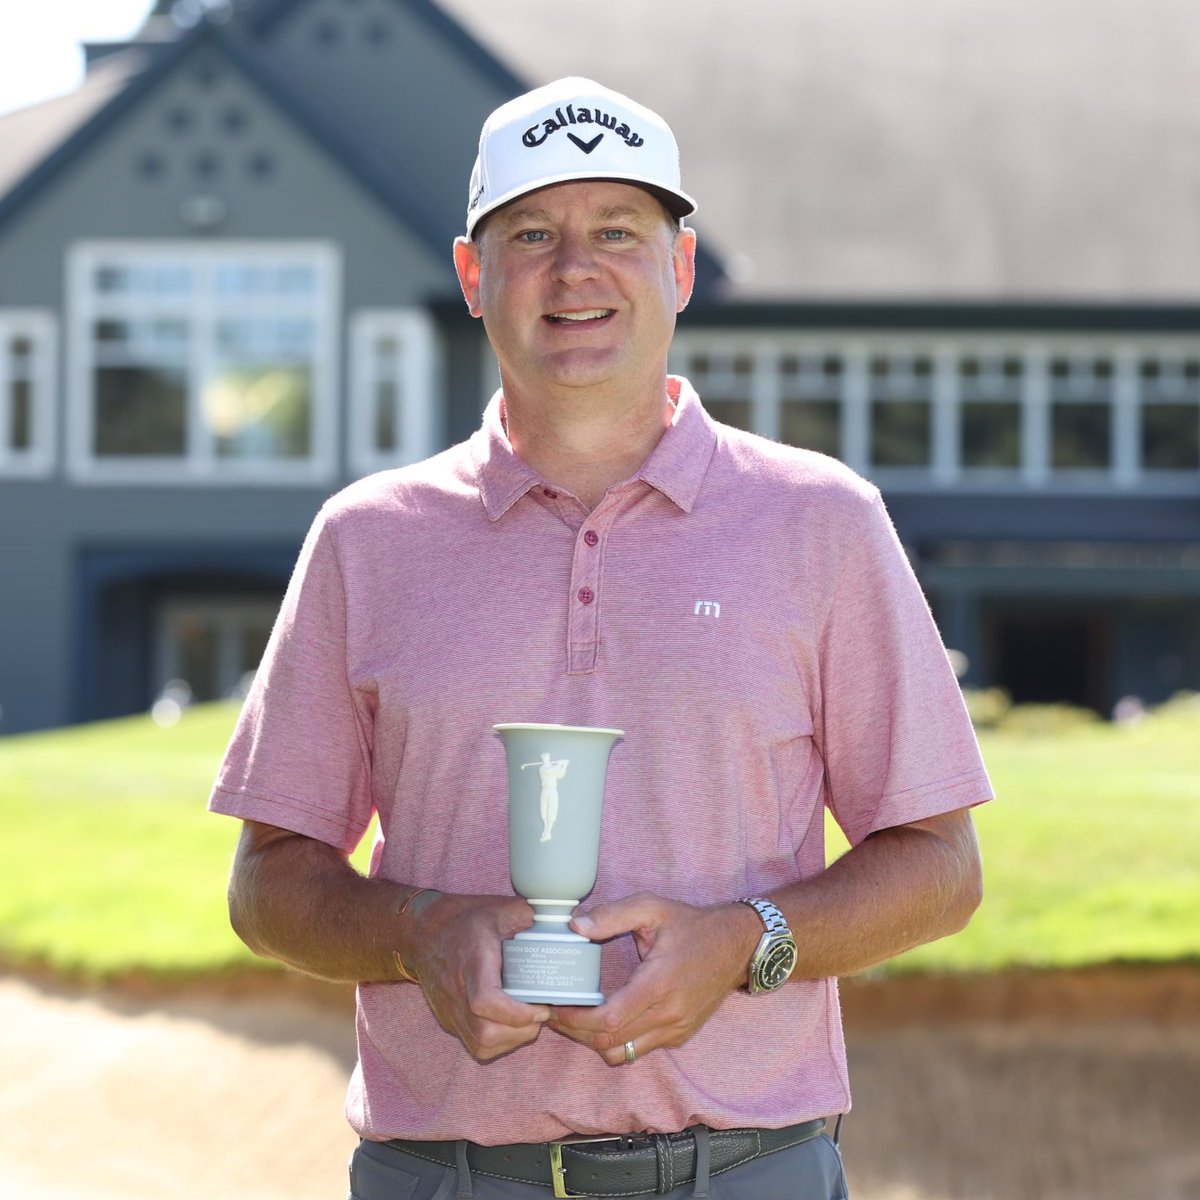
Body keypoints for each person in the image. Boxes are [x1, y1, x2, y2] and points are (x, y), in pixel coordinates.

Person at [209, 76, 991, 1200]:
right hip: (447, 1176)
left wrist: (747, 941)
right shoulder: (366, 540)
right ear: (475, 278)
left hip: (747, 1169)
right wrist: (418, 933)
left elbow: (941, 867)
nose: (575, 269)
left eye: (617, 230)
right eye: (532, 233)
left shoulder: (823, 521)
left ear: (679, 266)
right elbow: (266, 886)